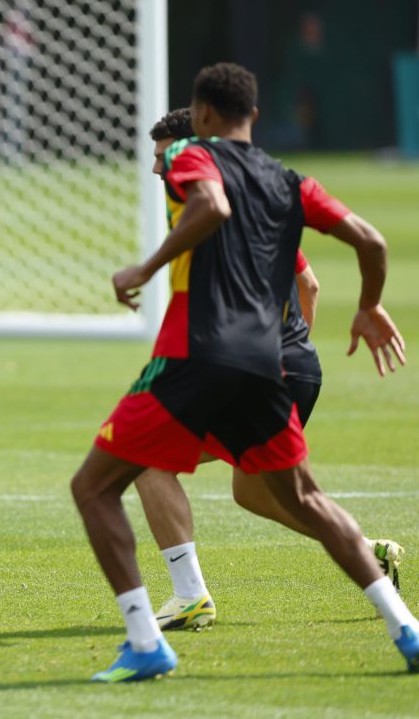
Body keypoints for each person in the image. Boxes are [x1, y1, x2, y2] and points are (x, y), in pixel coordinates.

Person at [71, 63, 416, 682]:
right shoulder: (291, 181)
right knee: (297, 496)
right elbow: (371, 241)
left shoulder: (189, 154)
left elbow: (211, 202)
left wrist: (143, 270)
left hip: (195, 356)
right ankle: (406, 628)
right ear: (254, 115)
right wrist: (367, 307)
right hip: (266, 364)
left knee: (95, 487)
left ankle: (147, 640)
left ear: (201, 118)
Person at [132, 109, 404, 632]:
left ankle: (190, 595)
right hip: (296, 369)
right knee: (257, 492)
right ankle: (370, 555)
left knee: (147, 459)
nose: (156, 170)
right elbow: (312, 285)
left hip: (252, 374)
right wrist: (291, 346)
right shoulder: (259, 206)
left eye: (163, 157)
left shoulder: (207, 213)